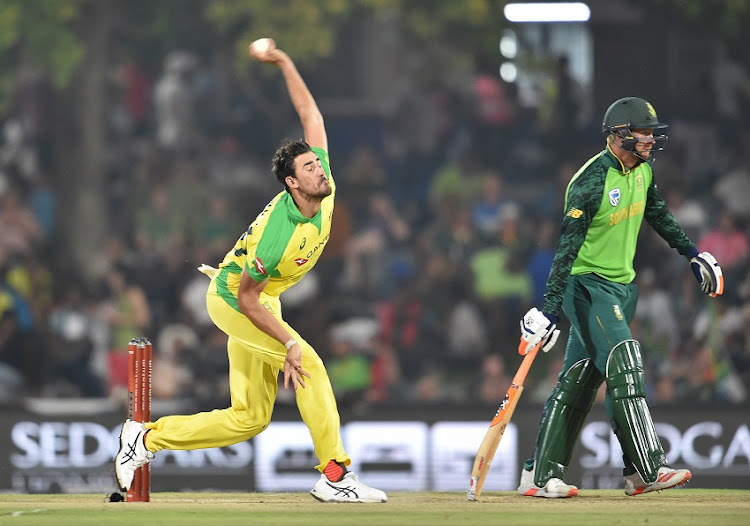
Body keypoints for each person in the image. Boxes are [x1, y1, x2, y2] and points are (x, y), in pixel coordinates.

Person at [114, 39, 387, 503]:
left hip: (264, 300)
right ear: (291, 183)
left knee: (249, 419)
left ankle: (144, 440)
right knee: (311, 365)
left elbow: (312, 116)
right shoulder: (278, 232)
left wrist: (284, 60)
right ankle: (335, 475)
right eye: (309, 167)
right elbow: (244, 298)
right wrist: (288, 342)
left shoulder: (325, 185)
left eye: (319, 163)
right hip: (233, 301)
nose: (322, 169)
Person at [516, 97, 725, 498]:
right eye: (642, 132)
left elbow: (658, 213)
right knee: (624, 357)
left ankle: (539, 475)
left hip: (622, 288)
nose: (650, 139)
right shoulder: (590, 182)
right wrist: (549, 309)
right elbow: (566, 251)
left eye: (650, 132)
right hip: (587, 286)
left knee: (577, 382)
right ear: (618, 135)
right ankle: (645, 469)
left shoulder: (643, 171)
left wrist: (692, 253)